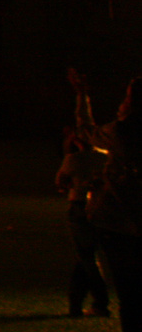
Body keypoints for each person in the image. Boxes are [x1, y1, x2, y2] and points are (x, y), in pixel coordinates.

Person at [74, 70, 142, 331]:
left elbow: (85, 130)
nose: (120, 105)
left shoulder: (120, 132)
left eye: (125, 99)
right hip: (122, 223)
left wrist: (81, 96)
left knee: (130, 294)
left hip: (118, 225)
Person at [58, 131, 113, 318]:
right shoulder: (106, 157)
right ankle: (76, 304)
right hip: (102, 208)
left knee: (85, 258)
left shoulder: (74, 158)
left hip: (80, 207)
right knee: (86, 256)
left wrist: (67, 148)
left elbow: (61, 182)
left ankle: (100, 302)